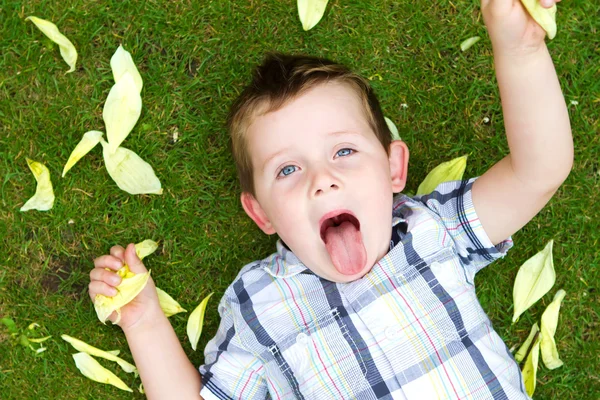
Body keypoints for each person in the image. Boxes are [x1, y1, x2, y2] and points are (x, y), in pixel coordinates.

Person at [88, 0, 572, 398]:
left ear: (393, 168)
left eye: (344, 151)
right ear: (261, 213)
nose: (322, 181)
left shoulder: (431, 230)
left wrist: (521, 51)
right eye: (288, 169)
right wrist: (144, 321)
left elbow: (538, 171)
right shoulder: (260, 305)